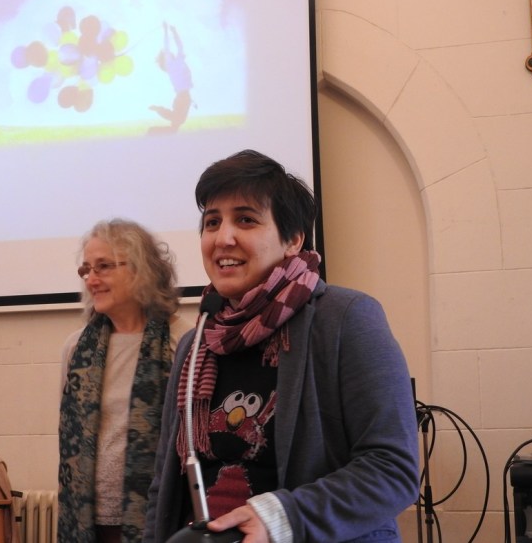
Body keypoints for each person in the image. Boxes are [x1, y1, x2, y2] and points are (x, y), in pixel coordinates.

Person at [143, 150, 420, 542]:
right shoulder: (197, 340)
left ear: (293, 240)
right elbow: (164, 485)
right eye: (212, 222)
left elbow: (393, 470)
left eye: (245, 219)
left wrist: (280, 518)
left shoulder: (346, 319)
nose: (223, 238)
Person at [58, 218, 193, 543]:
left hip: (158, 520)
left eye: (103, 266)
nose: (91, 279)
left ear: (142, 269)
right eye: (86, 269)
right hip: (88, 522)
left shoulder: (182, 340)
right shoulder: (76, 349)